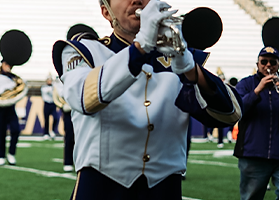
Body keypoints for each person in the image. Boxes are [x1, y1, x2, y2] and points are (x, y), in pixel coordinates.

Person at [52, 0, 241, 198]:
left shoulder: (178, 56)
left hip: (164, 189)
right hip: (101, 189)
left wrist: (193, 71)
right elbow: (84, 98)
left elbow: (230, 114)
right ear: (106, 13)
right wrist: (140, 46)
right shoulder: (85, 51)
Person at [235, 46, 279, 200]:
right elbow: (238, 110)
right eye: (264, 61)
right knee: (251, 197)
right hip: (253, 153)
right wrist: (258, 90)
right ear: (258, 64)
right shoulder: (246, 84)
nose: (268, 65)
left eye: (272, 62)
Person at [0, 60, 27, 166]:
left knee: (16, 130)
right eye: (6, 64)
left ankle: (11, 153)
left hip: (10, 106)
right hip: (0, 107)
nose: (8, 67)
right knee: (1, 132)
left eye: (10, 65)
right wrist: (7, 87)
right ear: (2, 64)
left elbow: (19, 90)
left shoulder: (14, 78)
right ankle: (0, 156)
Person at [41, 76, 59, 141]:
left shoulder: (54, 87)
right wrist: (54, 86)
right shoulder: (44, 87)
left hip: (53, 104)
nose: (50, 81)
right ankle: (46, 133)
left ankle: (53, 131)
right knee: (46, 119)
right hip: (46, 104)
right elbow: (48, 92)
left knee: (56, 118)